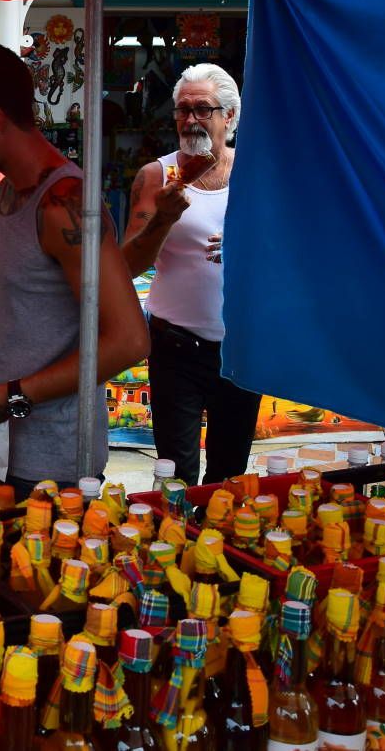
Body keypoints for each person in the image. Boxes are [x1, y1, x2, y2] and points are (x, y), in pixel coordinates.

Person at [0, 42, 149, 496]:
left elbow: (129, 340)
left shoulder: (64, 203)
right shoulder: (9, 193)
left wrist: (12, 397)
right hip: (7, 451)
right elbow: (26, 305)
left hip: (57, 467)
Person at [122, 63, 260, 485]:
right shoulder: (155, 176)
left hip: (239, 347)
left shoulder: (255, 174)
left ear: (229, 117)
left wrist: (247, 246)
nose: (190, 119)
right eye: (183, 109)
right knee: (176, 473)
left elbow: (292, 248)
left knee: (229, 474)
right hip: (175, 345)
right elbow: (127, 265)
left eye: (203, 109)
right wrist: (163, 218)